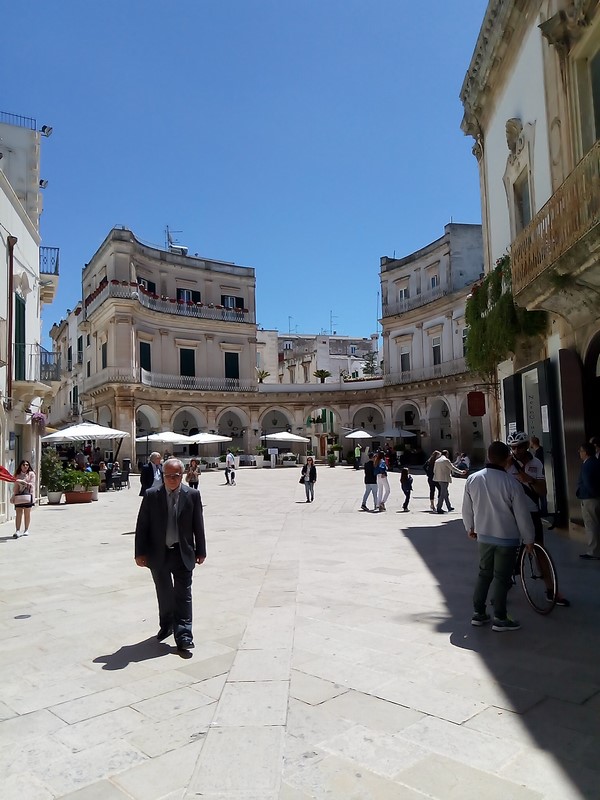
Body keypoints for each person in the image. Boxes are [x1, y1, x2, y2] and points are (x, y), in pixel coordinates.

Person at [134, 457, 206, 651]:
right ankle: (166, 625)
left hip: (182, 552)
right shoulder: (152, 495)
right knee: (164, 593)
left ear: (182, 476)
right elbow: (142, 526)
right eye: (168, 476)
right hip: (158, 553)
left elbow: (198, 525)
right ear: (163, 476)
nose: (172, 479)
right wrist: (140, 552)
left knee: (184, 595)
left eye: (176, 476)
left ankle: (184, 635)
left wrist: (201, 550)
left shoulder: (192, 495)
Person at [463, 441, 535, 632]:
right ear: (508, 459)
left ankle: (478, 612)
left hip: (484, 535)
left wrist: (470, 527)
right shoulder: (512, 483)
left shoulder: (473, 479)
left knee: (484, 573)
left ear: (488, 456)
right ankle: (500, 617)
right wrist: (529, 539)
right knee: (502, 578)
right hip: (507, 537)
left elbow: (467, 508)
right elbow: (522, 515)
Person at [506, 430, 569, 606]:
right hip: (510, 512)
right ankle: (502, 584)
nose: (516, 451)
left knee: (539, 549)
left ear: (527, 446)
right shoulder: (507, 464)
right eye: (513, 447)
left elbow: (543, 491)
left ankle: (551, 590)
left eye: (519, 447)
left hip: (531, 511)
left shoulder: (536, 463)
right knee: (505, 549)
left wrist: (529, 480)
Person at [576, 442, 600, 560]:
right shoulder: (597, 462)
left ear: (585, 452)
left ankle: (593, 551)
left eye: (580, 451)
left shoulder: (587, 464)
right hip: (596, 498)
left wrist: (593, 493)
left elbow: (587, 482)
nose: (579, 453)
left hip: (589, 498)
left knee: (591, 525)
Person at [12, 459, 36, 538]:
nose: (25, 466)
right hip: (19, 496)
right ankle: (17, 530)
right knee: (18, 513)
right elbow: (15, 487)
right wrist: (14, 495)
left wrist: (24, 483)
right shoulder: (17, 474)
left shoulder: (31, 474)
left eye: (27, 465)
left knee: (27, 513)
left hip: (28, 496)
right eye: (24, 465)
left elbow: (32, 485)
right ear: (20, 466)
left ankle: (26, 529)